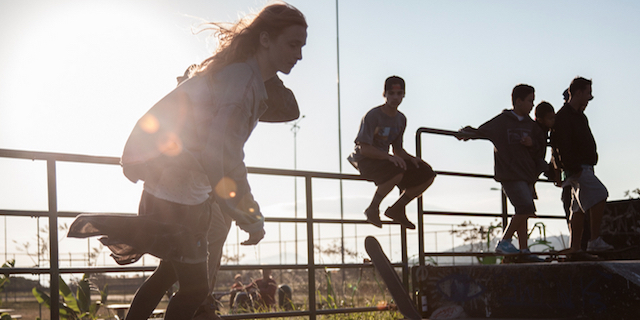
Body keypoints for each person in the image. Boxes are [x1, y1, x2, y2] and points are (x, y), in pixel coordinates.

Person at [66, 3, 308, 320]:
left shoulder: (240, 75)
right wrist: (249, 215)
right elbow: (221, 157)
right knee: (195, 289)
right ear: (265, 39)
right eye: (292, 44)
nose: (299, 55)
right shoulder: (241, 84)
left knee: (168, 274)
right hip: (176, 196)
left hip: (177, 193)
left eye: (302, 47)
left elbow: (224, 154)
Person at [457, 84, 545, 261]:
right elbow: (483, 130)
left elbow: (540, 145)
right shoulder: (502, 121)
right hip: (510, 174)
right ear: (518, 101)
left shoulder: (531, 125)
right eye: (529, 101)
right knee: (526, 208)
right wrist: (466, 132)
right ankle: (504, 241)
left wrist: (532, 144)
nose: (532, 105)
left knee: (523, 211)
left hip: (527, 174)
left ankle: (524, 249)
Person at [347, 76, 436, 229]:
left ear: (404, 95)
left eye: (399, 93)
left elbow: (398, 149)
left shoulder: (401, 119)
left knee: (427, 173)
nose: (395, 97)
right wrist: (388, 157)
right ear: (385, 94)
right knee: (397, 170)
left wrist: (412, 159)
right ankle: (373, 208)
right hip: (365, 160)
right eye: (391, 94)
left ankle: (398, 208)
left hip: (385, 160)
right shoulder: (373, 115)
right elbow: (364, 148)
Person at [551, 77, 613, 254]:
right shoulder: (564, 117)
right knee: (600, 194)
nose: (589, 98)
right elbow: (560, 145)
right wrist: (572, 166)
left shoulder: (579, 116)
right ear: (578, 93)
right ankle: (594, 240)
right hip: (578, 168)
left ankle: (575, 246)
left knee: (577, 209)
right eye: (587, 94)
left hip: (581, 166)